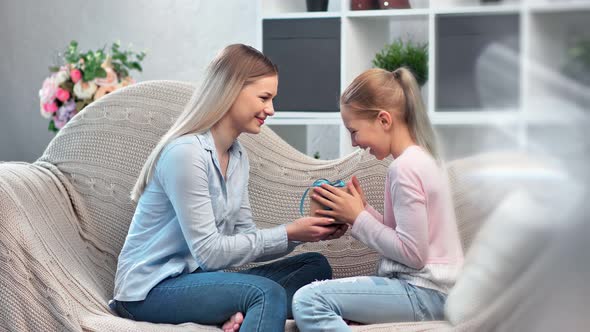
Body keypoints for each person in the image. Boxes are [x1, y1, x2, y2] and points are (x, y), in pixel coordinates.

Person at [109, 44, 348, 332]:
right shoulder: (186, 154)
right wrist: (289, 231)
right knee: (265, 293)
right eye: (264, 97)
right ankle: (250, 309)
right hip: (149, 291)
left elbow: (245, 238)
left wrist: (302, 234)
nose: (271, 110)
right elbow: (209, 253)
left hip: (195, 282)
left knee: (314, 267)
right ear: (232, 91)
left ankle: (243, 314)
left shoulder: (237, 156)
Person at [292, 67, 464, 331]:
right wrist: (363, 211)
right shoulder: (421, 160)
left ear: (384, 120)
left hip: (425, 293)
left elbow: (412, 254)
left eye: (354, 131)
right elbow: (408, 237)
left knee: (308, 299)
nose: (353, 143)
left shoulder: (404, 168)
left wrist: (357, 218)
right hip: (435, 293)